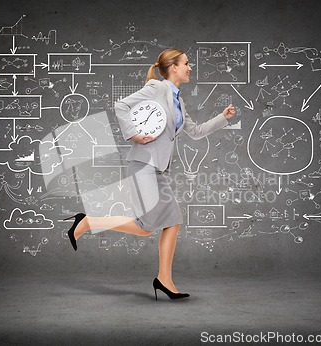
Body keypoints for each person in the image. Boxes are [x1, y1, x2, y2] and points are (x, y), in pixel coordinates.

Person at [65, 48, 236, 300]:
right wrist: (133, 134)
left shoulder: (178, 100)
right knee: (150, 226)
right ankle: (89, 222)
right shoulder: (158, 88)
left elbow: (196, 131)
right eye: (187, 63)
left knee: (168, 223)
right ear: (174, 67)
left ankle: (164, 279)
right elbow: (120, 106)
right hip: (143, 164)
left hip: (157, 168)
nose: (191, 67)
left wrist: (222, 117)